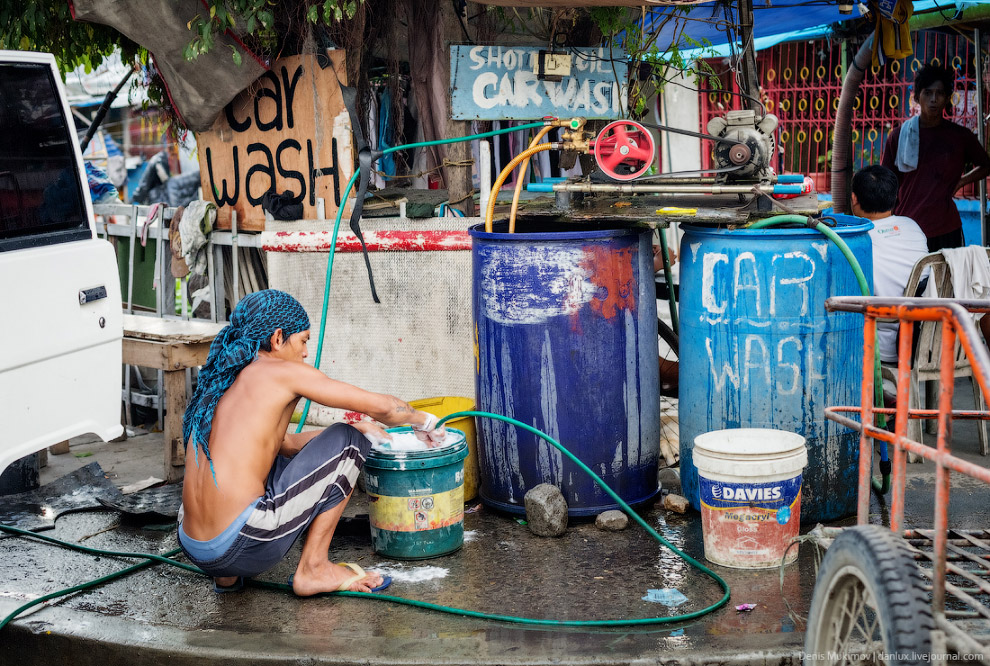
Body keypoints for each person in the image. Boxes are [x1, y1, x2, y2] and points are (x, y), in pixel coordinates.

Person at [178, 289, 447, 597]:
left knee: (317, 442)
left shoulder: (222, 379)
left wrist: (352, 424)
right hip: (241, 544)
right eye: (303, 340)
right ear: (278, 338)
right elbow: (383, 408)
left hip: (194, 546)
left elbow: (287, 444)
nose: (306, 352)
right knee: (350, 442)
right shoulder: (280, 371)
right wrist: (423, 421)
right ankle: (314, 569)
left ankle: (226, 579)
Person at [881, 63, 990, 251]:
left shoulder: (959, 136)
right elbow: (887, 182)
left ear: (947, 98)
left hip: (946, 228)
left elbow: (986, 165)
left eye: (939, 93)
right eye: (927, 92)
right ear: (917, 97)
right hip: (906, 227)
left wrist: (961, 182)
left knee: (945, 281)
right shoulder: (899, 136)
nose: (933, 99)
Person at [851, 164, 929, 364]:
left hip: (881, 347)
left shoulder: (858, 239)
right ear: (895, 197)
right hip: (926, 336)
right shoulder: (912, 226)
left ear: (854, 199)